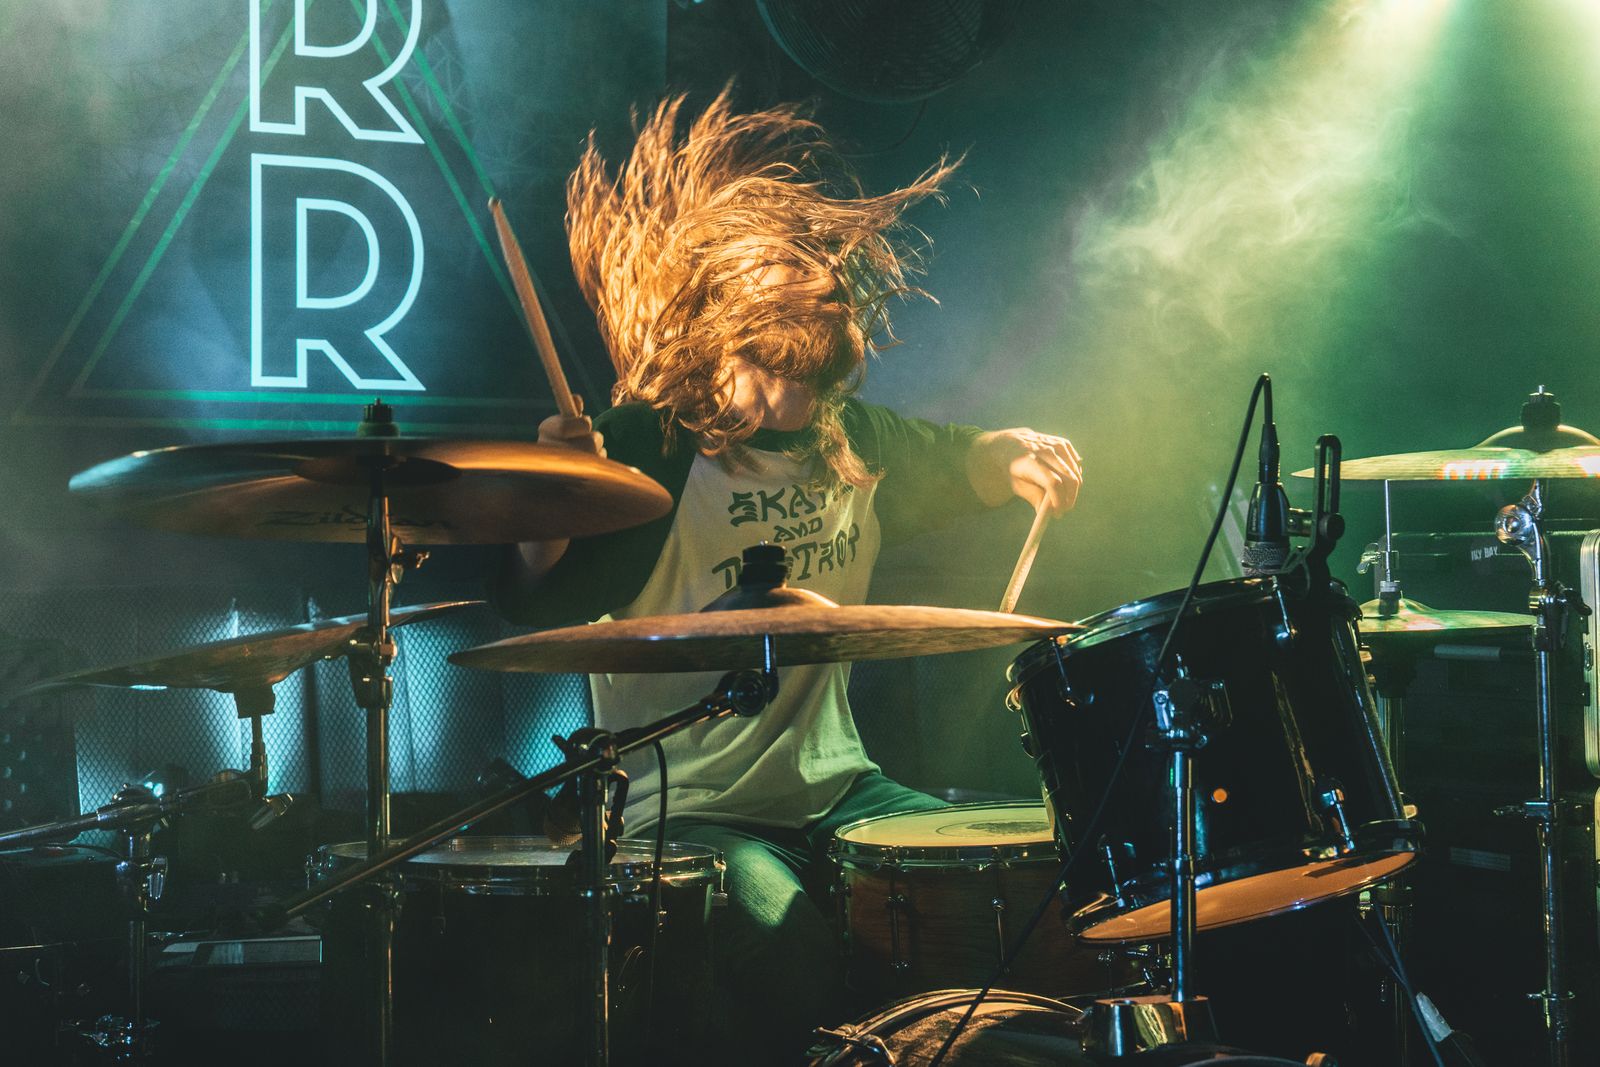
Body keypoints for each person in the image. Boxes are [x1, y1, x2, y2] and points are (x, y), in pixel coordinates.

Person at [490, 88, 1082, 1062]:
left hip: (841, 790)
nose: (824, 276)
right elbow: (541, 596)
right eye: (788, 263)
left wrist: (1018, 450)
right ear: (721, 311)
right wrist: (549, 501)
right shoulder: (647, 448)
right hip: (688, 808)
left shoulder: (854, 440)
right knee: (782, 938)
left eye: (825, 264)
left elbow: (965, 459)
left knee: (1022, 884)